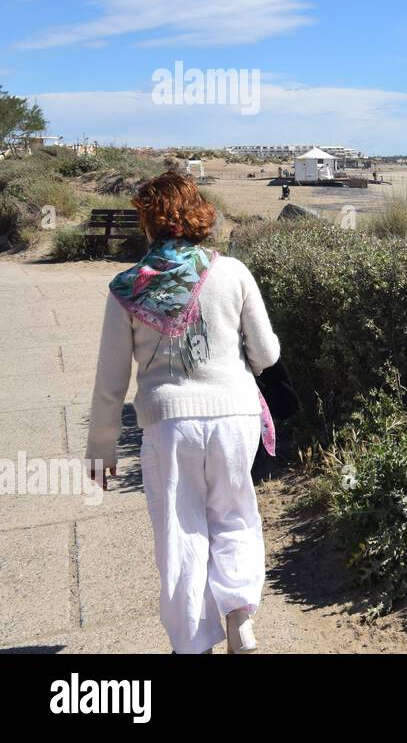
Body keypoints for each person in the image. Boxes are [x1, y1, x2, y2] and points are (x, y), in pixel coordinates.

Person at [86, 170, 281, 654]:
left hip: (169, 422)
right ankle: (240, 618)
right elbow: (267, 352)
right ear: (197, 213)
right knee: (235, 513)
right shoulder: (232, 272)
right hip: (235, 415)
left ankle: (193, 642)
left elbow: (110, 380)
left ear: (149, 223)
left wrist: (100, 447)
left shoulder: (127, 288)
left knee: (181, 529)